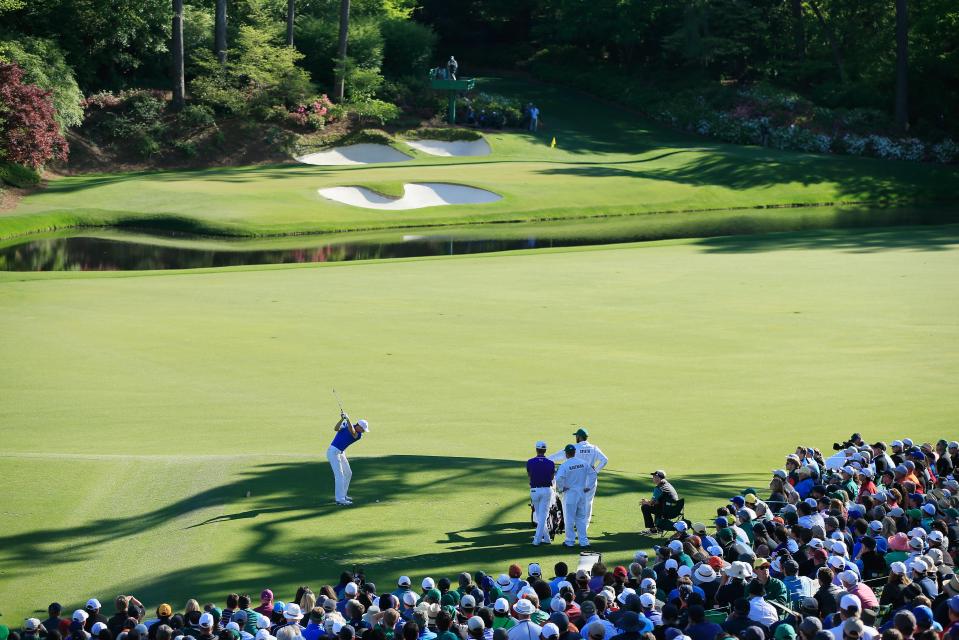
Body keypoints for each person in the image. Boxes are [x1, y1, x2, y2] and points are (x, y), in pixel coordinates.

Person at [552, 428, 607, 527]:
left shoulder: (573, 447)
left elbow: (556, 457)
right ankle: (584, 525)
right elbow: (604, 460)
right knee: (588, 503)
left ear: (579, 437)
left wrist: (544, 459)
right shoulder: (594, 448)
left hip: (574, 479)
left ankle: (569, 523)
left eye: (576, 436)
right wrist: (595, 471)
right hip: (590, 480)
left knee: (568, 501)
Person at [555, 444, 598, 548]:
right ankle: (584, 542)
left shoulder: (565, 465)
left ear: (566, 453)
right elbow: (593, 474)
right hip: (582, 494)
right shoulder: (583, 463)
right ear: (575, 452)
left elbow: (559, 478)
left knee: (569, 518)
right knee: (581, 518)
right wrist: (589, 486)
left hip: (570, 494)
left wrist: (561, 488)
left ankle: (570, 541)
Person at [327, 414, 370, 506]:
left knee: (348, 473)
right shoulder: (346, 425)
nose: (363, 431)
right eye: (363, 429)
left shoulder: (358, 435)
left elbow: (352, 432)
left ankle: (343, 495)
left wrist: (348, 420)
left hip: (341, 452)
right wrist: (342, 419)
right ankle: (340, 499)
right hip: (333, 452)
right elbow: (336, 428)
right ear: (358, 426)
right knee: (340, 476)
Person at [528, 441, 557, 546]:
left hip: (534, 491)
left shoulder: (530, 462)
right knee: (542, 517)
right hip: (546, 490)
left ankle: (541, 540)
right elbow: (552, 477)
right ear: (545, 450)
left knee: (540, 516)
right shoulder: (551, 463)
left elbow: (530, 476)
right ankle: (542, 539)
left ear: (536, 449)